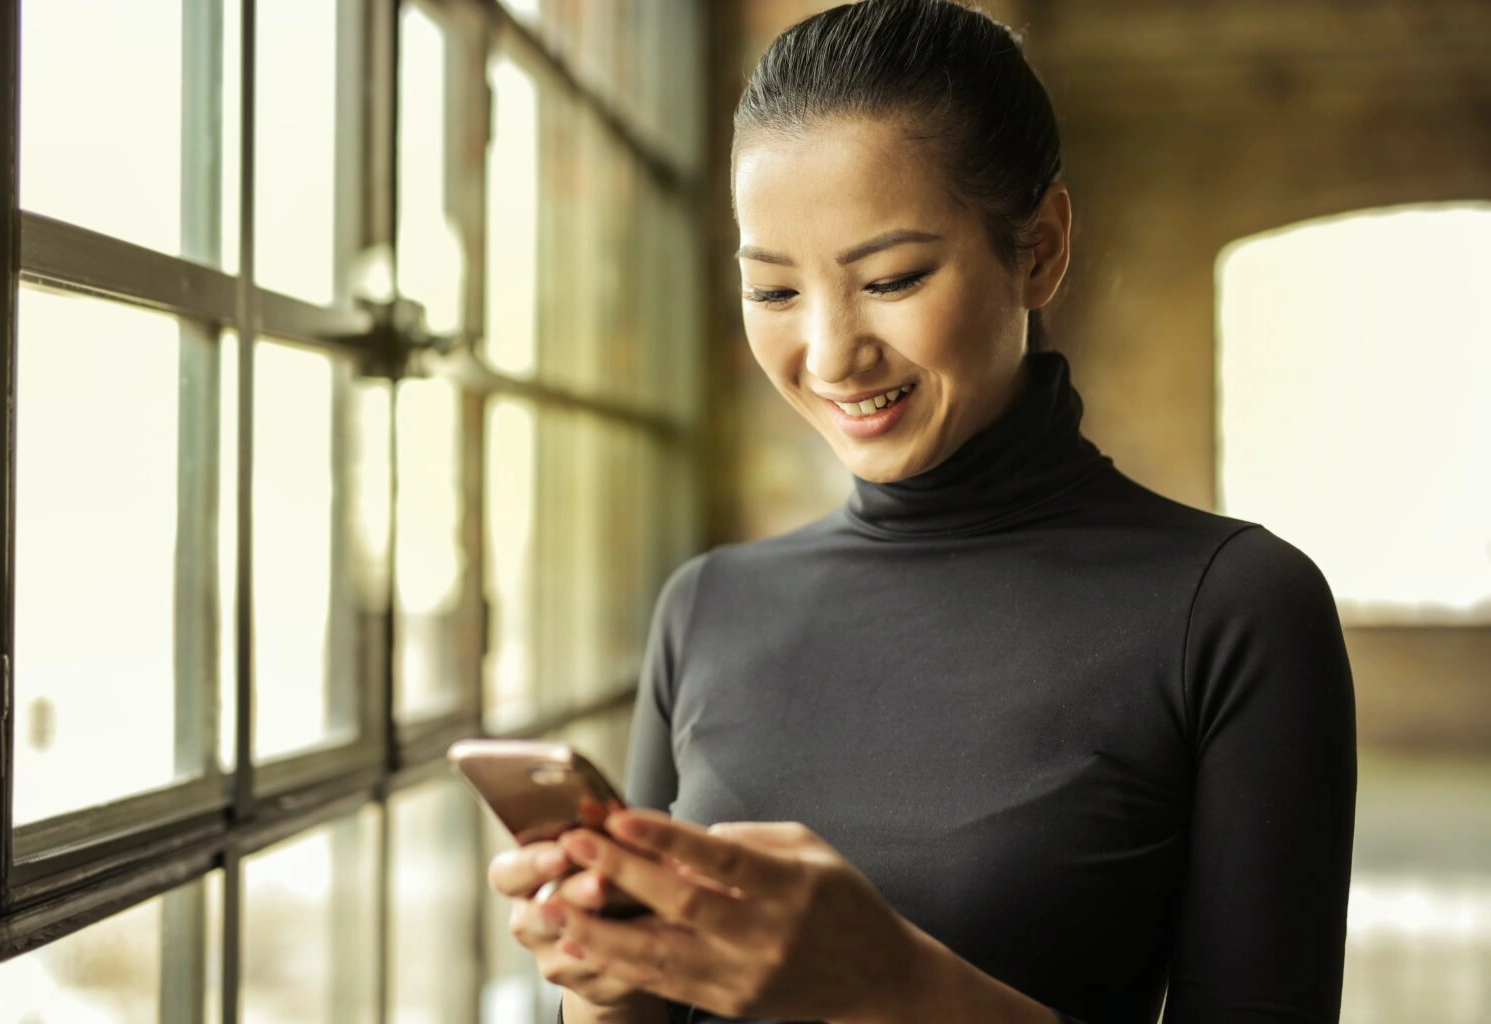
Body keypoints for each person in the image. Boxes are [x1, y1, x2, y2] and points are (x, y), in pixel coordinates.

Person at [487, 0, 1358, 1021]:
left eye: (891, 278)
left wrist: (891, 981)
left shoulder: (1235, 611)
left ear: (1038, 249)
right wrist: (606, 977)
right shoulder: (708, 606)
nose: (828, 353)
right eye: (773, 291)